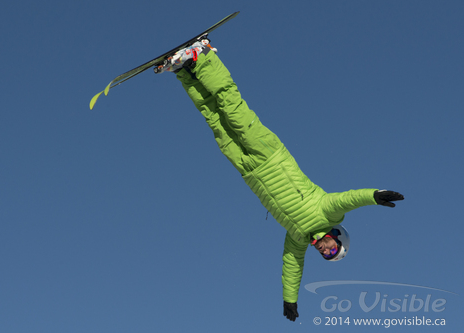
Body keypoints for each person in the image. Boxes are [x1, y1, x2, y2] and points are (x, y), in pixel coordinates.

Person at [156, 38, 404, 322]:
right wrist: (376, 194)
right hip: (270, 155)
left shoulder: (298, 239)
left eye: (326, 255)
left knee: (216, 122)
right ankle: (205, 55)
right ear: (337, 236)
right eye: (332, 249)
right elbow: (350, 197)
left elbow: (292, 266)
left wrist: (290, 300)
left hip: (250, 171)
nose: (325, 250)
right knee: (232, 109)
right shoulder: (328, 212)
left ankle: (185, 71)